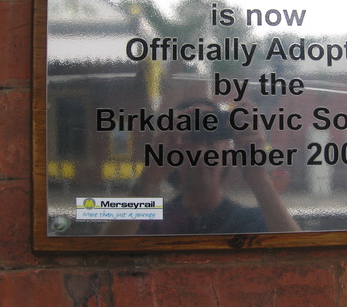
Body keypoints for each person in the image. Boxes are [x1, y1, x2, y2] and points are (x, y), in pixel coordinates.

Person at [102, 99, 300, 235]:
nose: (201, 151)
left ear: (229, 152)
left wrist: (257, 175)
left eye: (211, 137)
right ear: (171, 152)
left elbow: (303, 264)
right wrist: (151, 173)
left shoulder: (253, 220)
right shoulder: (147, 220)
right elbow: (102, 257)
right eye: (191, 135)